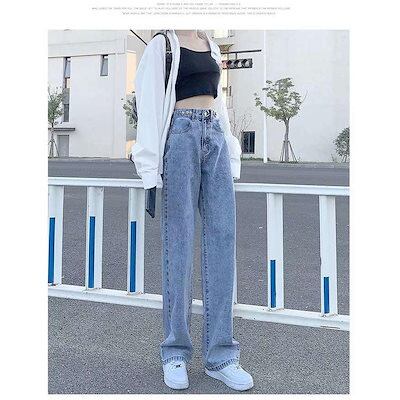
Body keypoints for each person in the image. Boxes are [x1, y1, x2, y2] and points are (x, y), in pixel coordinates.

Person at [131, 29, 254, 391]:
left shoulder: (211, 45)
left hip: (214, 136)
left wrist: (231, 153)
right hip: (180, 136)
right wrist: (149, 170)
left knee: (223, 242)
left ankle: (221, 356)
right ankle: (175, 352)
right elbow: (149, 106)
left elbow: (220, 107)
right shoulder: (162, 45)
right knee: (179, 245)